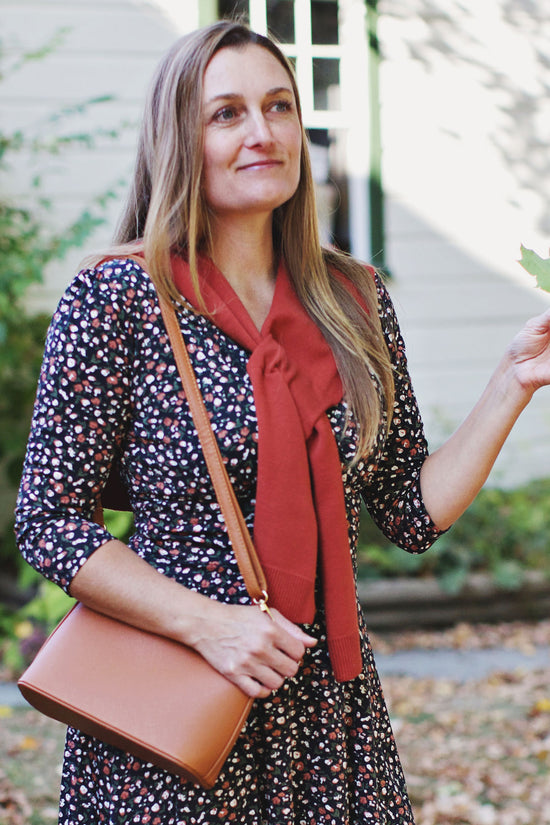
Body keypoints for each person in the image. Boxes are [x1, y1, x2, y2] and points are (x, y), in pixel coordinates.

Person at [14, 18, 550, 825]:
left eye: (280, 107)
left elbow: (408, 508)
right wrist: (214, 626)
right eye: (226, 113)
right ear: (178, 140)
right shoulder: (119, 299)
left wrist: (513, 380)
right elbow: (49, 521)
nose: (263, 132)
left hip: (329, 713)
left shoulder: (352, 299)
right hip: (178, 695)